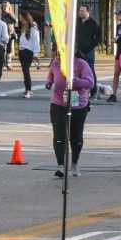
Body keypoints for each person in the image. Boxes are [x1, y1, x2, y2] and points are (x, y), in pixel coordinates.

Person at [45, 49, 95, 177]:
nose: (60, 53)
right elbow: (51, 75)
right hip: (58, 104)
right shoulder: (56, 63)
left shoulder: (81, 63)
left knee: (76, 136)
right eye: (58, 51)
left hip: (78, 104)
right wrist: (49, 82)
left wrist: (74, 81)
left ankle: (74, 164)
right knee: (59, 135)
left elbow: (90, 82)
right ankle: (61, 166)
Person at [75, 4, 101, 88]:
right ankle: (80, 88)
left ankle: (93, 89)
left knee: (90, 69)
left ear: (88, 12)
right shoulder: (76, 21)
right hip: (77, 50)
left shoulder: (93, 23)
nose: (80, 12)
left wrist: (90, 45)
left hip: (88, 51)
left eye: (82, 11)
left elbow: (98, 38)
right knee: (77, 69)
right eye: (80, 10)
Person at [17, 11, 40, 99]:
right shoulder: (23, 27)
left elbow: (36, 41)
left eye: (21, 18)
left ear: (26, 18)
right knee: (24, 71)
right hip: (22, 51)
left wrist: (35, 54)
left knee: (26, 71)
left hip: (28, 52)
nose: (20, 20)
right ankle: (27, 89)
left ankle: (29, 90)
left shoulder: (33, 28)